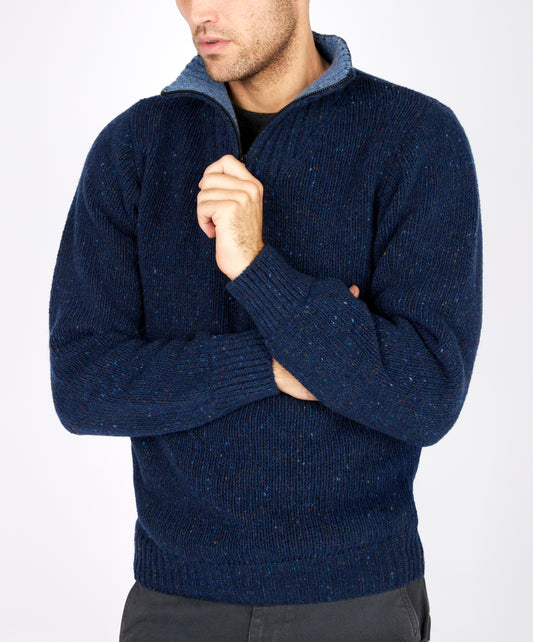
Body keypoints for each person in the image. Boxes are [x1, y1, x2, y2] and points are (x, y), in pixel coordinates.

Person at [49, 0, 482, 640]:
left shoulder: (414, 137)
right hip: (176, 603)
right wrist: (273, 361)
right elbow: (83, 386)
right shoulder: (134, 147)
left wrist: (254, 265)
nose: (199, 11)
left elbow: (427, 394)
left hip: (358, 602)